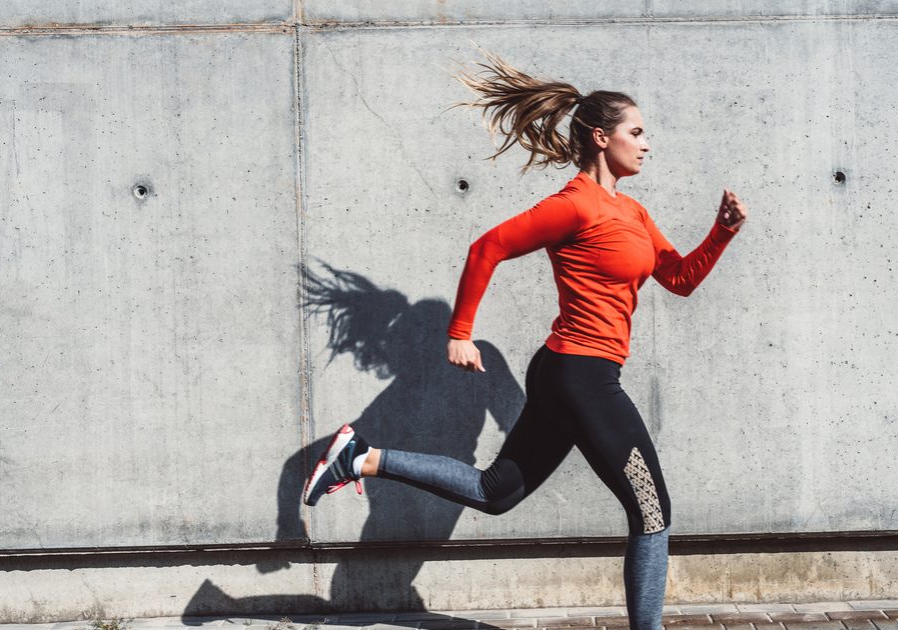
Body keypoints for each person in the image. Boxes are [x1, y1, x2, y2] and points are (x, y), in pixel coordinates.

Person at [302, 50, 747, 629]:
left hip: (575, 375)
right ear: (599, 136)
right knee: (652, 510)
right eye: (636, 132)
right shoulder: (573, 206)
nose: (646, 143)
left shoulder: (632, 212)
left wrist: (722, 232)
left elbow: (680, 279)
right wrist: (460, 333)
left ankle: (360, 458)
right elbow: (487, 247)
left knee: (495, 490)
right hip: (579, 375)